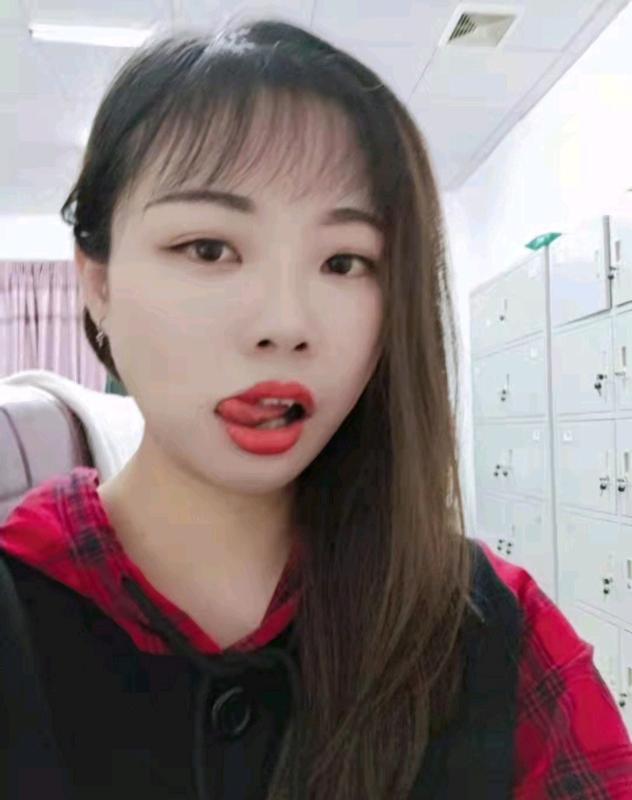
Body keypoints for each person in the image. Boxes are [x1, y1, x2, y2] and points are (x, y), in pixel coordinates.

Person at [0, 18, 630, 800]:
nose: (285, 324)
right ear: (97, 281)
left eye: (344, 261)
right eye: (209, 249)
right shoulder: (22, 600)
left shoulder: (499, 632)